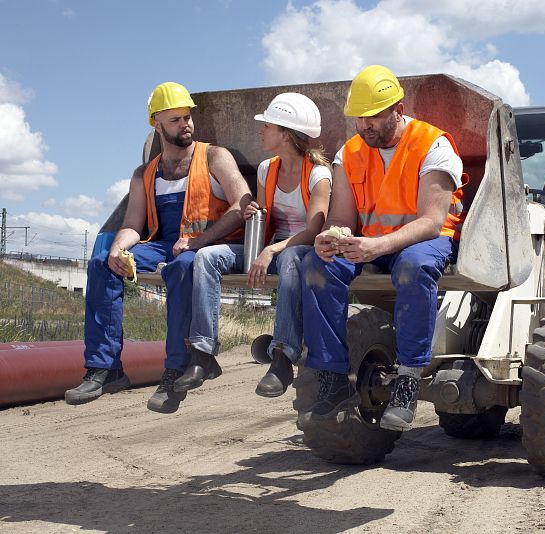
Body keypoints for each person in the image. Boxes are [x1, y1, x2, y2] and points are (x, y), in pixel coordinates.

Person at [65, 82, 251, 413]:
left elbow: (241, 205)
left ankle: (175, 369)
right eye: (176, 119)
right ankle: (105, 368)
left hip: (206, 247)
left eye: (188, 117)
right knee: (101, 264)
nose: (186, 125)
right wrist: (119, 248)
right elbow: (134, 225)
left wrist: (197, 241)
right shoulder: (145, 174)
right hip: (163, 244)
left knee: (183, 267)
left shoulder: (214, 157)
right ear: (157, 124)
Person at [300, 65, 467, 431]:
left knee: (413, 267)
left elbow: (431, 222)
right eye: (359, 118)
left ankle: (407, 380)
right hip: (371, 242)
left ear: (398, 110)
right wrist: (333, 236)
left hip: (426, 241)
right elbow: (342, 216)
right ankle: (332, 378)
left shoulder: (433, 146)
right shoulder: (351, 152)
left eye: (373, 117)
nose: (364, 125)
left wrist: (377, 246)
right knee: (317, 265)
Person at [173, 92, 331, 398]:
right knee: (206, 257)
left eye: (268, 125)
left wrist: (271, 249)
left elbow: (314, 230)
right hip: (269, 248)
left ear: (285, 133)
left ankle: (283, 356)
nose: (261, 130)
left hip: (302, 252)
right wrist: (253, 213)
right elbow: (267, 214)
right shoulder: (266, 169)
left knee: (290, 258)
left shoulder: (319, 174)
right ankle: (203, 353)